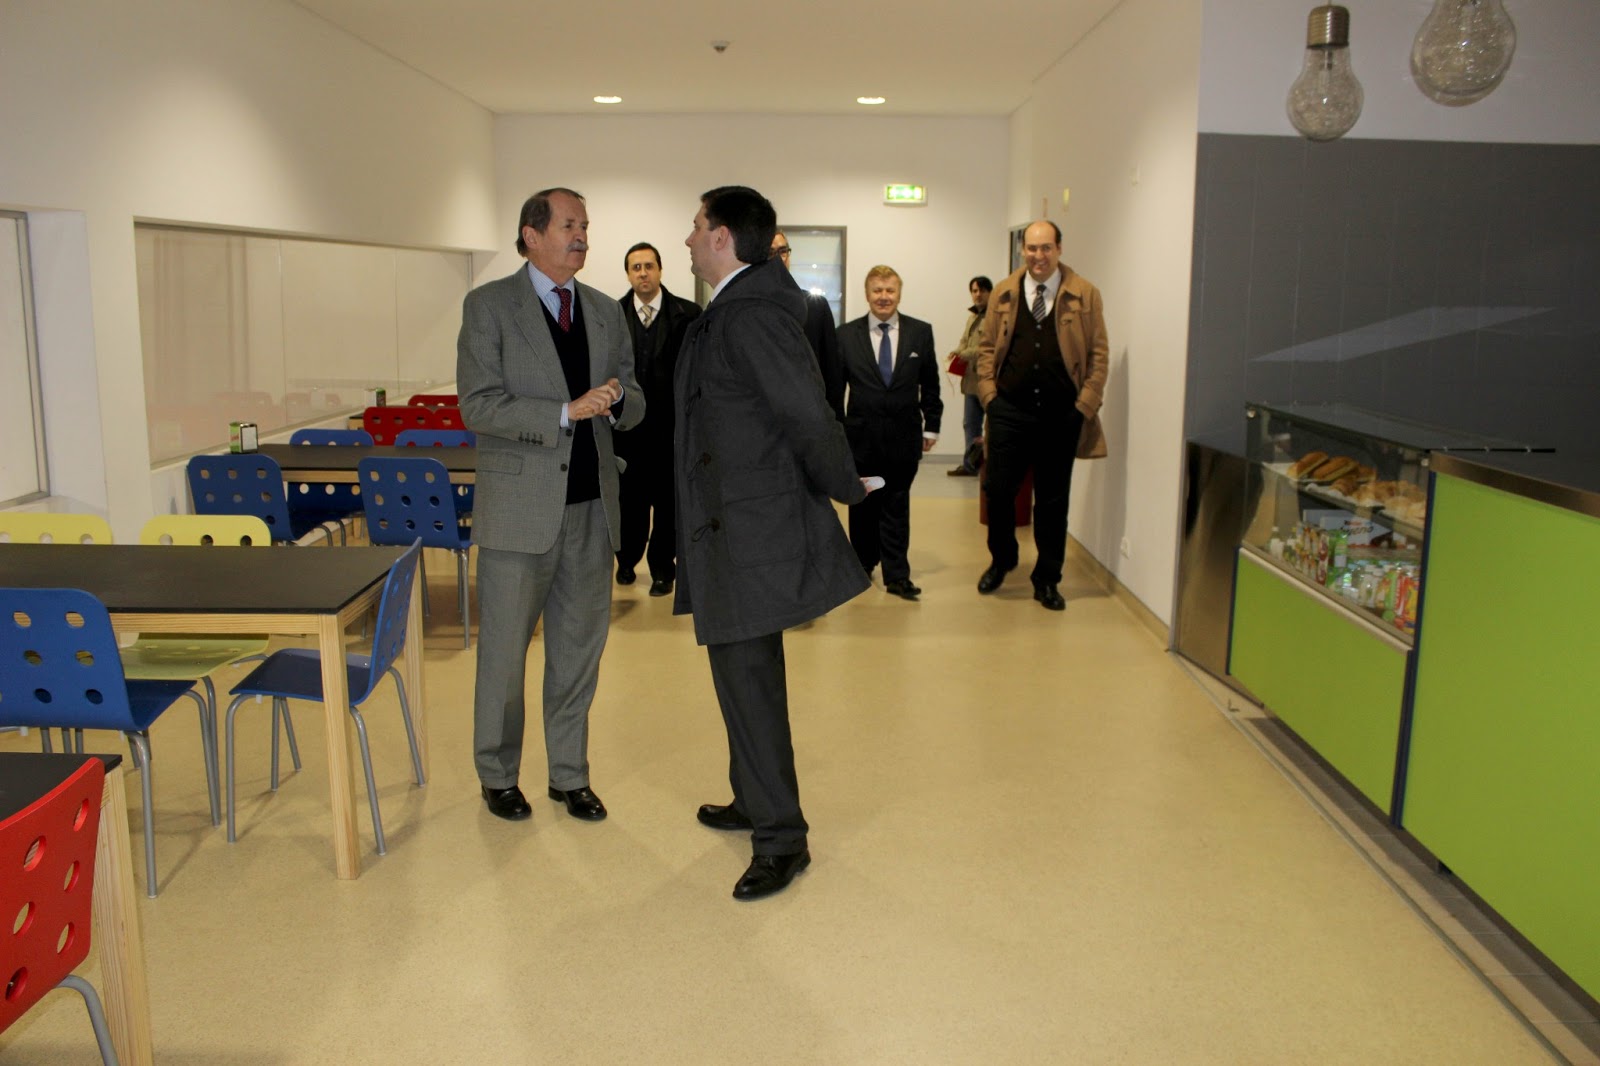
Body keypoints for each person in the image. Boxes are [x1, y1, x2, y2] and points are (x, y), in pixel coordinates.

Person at [678, 185, 871, 900]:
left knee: (751, 679)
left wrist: (847, 485)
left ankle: (783, 838)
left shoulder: (753, 314)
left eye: (696, 226)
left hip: (749, 529)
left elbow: (807, 414)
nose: (688, 239)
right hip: (730, 522)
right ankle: (752, 796)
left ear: (723, 236)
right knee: (738, 674)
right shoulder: (739, 306)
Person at [456, 187, 644, 822]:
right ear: (532, 235)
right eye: (569, 225)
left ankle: (570, 774)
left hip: (592, 508)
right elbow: (478, 404)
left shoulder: (604, 310)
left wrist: (619, 401)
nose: (582, 236)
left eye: (585, 225)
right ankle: (497, 775)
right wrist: (564, 412)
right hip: (519, 513)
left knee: (577, 652)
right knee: (505, 656)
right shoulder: (489, 307)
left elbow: (634, 396)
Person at [975, 219, 1109, 612]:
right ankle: (1002, 559)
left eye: (1046, 247)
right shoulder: (1004, 291)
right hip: (1008, 411)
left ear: (1059, 249)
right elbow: (986, 349)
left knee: (1052, 501)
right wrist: (990, 397)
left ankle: (1047, 579)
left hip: (1061, 416)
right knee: (998, 491)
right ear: (1022, 250)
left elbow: (1099, 354)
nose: (1038, 256)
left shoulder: (1085, 294)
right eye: (1032, 248)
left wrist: (1083, 407)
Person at [837, 265, 942, 599]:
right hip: (861, 439)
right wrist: (836, 435)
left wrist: (932, 426)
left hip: (904, 438)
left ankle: (897, 575)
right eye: (877, 290)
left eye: (890, 290)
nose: (884, 297)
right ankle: (863, 565)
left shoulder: (920, 332)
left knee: (897, 504)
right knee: (863, 504)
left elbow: (931, 383)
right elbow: (835, 390)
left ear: (899, 293)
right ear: (867, 294)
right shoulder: (845, 335)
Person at [613, 241, 701, 597]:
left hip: (671, 430)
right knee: (629, 503)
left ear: (660, 270)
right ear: (628, 275)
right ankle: (626, 560)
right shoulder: (612, 315)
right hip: (627, 432)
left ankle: (664, 569)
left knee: (668, 505)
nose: (643, 273)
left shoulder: (688, 314)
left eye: (649, 266)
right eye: (636, 267)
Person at [770, 230, 845, 419]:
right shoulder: (747, 309)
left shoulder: (816, 306)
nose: (778, 259)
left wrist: (836, 425)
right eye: (770, 253)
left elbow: (832, 374)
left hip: (810, 418)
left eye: (782, 251)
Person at [947, 275, 994, 477]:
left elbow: (988, 347)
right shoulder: (973, 317)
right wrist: (957, 351)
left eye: (982, 290)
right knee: (970, 425)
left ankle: (990, 466)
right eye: (974, 291)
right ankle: (970, 465)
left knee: (992, 426)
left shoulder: (995, 317)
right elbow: (964, 341)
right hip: (970, 382)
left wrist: (965, 353)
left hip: (988, 381)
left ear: (990, 292)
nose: (978, 294)